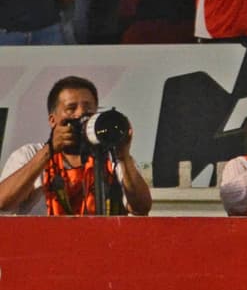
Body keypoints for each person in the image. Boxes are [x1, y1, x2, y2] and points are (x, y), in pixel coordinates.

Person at [0, 75, 152, 216]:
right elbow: (3, 203)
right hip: (43, 242)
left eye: (88, 108)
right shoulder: (30, 154)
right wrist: (49, 150)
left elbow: (141, 208)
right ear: (53, 120)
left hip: (102, 242)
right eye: (71, 108)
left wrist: (124, 156)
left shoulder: (112, 156)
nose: (80, 114)